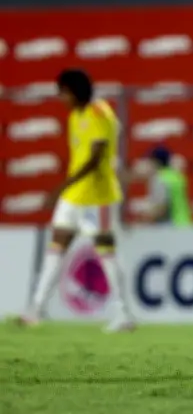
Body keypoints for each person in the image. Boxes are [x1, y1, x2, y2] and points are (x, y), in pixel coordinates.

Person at [18, 68, 136, 332]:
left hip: (98, 197)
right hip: (74, 198)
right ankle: (35, 309)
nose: (61, 97)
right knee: (56, 247)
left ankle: (123, 313)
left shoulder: (98, 113)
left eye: (63, 92)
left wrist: (61, 186)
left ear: (74, 91)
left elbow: (95, 159)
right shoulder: (75, 115)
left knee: (106, 252)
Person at [137, 145, 193, 226]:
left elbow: (162, 208)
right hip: (185, 223)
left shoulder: (159, 178)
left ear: (155, 162)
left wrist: (145, 217)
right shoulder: (177, 176)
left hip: (170, 227)